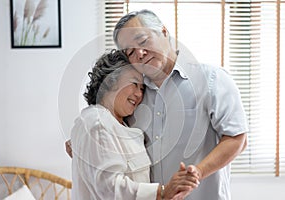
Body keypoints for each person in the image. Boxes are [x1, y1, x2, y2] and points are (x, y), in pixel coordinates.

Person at [111, 9, 249, 200]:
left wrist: (197, 172)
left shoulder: (212, 79)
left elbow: (237, 139)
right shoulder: (134, 95)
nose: (140, 54)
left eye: (143, 41)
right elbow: (115, 132)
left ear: (164, 32)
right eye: (131, 52)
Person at [70, 49, 199, 200]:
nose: (139, 94)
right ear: (110, 81)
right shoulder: (97, 122)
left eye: (142, 88)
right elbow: (109, 188)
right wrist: (162, 192)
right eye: (134, 83)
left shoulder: (121, 125)